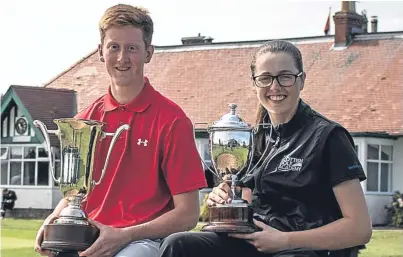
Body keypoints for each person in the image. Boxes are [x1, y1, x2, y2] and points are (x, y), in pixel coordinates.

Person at [158, 40, 372, 257]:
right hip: (255, 243)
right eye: (265, 78)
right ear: (254, 84)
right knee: (178, 244)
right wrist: (226, 199)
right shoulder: (254, 139)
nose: (275, 86)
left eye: (285, 76)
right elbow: (247, 201)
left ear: (302, 80)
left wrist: (285, 241)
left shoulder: (329, 137)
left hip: (304, 250)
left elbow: (359, 229)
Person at [34, 4, 207, 257]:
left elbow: (188, 214)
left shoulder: (173, 121)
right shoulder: (85, 121)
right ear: (101, 52)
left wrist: (124, 235)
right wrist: (52, 218)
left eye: (132, 48)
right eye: (114, 47)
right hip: (90, 239)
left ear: (148, 53)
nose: (122, 58)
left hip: (145, 242)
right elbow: (76, 193)